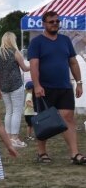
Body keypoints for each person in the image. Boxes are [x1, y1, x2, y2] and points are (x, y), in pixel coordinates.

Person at [28, 10, 85, 165]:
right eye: (51, 21)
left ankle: (75, 154)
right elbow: (34, 65)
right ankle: (42, 153)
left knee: (68, 118)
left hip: (65, 86)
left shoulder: (65, 40)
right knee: (44, 120)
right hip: (44, 88)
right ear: (44, 24)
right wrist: (37, 85)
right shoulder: (36, 42)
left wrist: (79, 83)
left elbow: (73, 62)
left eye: (57, 21)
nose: (55, 24)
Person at [0, 32, 30, 148]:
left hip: (4, 87)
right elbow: (24, 68)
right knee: (17, 112)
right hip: (16, 85)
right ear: (12, 40)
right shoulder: (15, 52)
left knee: (9, 111)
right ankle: (15, 138)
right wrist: (34, 65)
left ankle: (9, 137)